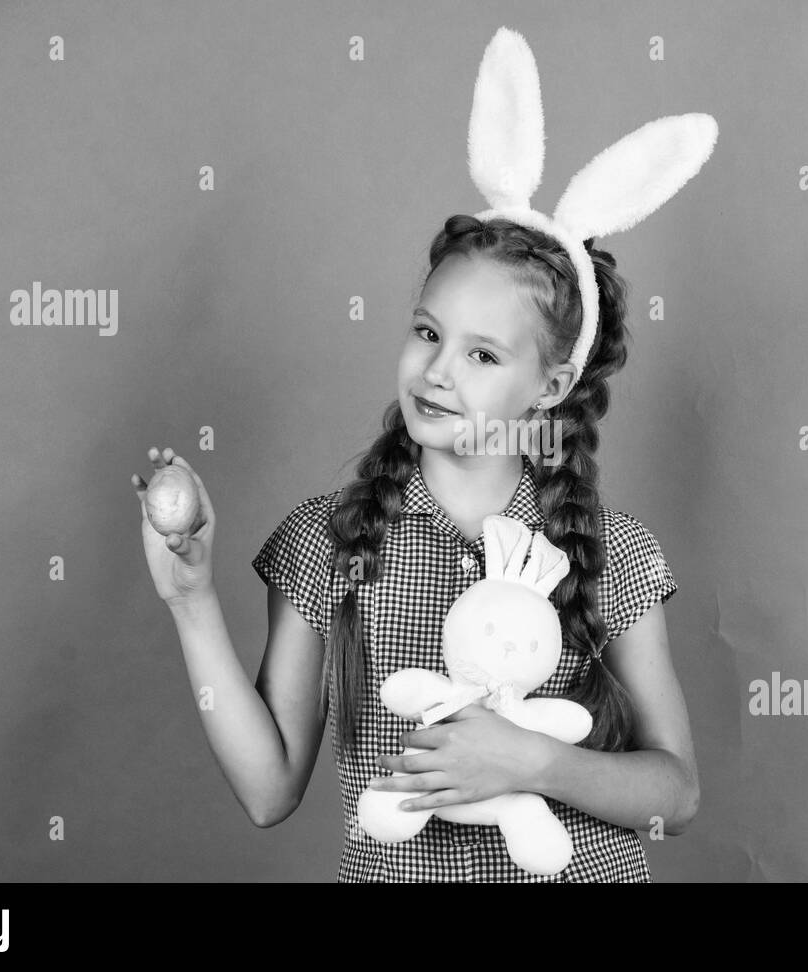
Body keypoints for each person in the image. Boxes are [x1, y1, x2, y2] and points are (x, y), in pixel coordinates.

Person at [131, 217, 700, 881]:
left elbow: (677, 794)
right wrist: (189, 598)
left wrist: (532, 761)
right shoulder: (327, 542)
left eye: (482, 356)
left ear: (551, 387)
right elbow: (268, 793)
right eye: (429, 333)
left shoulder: (611, 550)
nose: (436, 371)